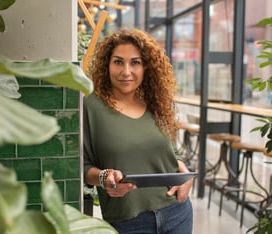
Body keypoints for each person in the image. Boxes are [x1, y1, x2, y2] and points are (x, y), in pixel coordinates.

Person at [83, 28, 194, 234]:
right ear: (107, 65)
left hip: (176, 213)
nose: (126, 71)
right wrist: (103, 177)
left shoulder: (156, 104)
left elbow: (171, 154)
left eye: (135, 62)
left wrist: (185, 175)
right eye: (118, 62)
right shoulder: (90, 107)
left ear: (146, 67)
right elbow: (81, 166)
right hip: (127, 222)